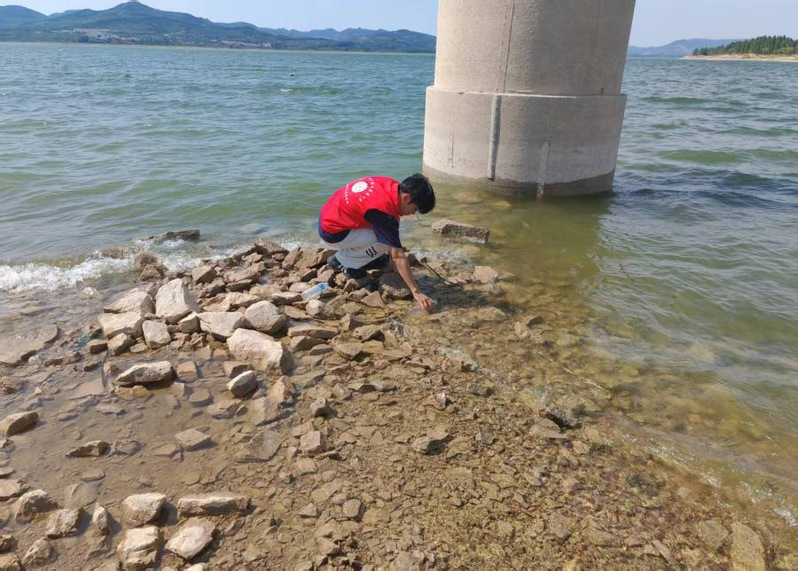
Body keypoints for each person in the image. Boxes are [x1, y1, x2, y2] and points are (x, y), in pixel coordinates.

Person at [318, 173, 437, 313]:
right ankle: (342, 261)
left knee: (388, 237)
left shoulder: (391, 186)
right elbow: (398, 255)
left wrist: (392, 255)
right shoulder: (383, 209)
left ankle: (362, 258)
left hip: (328, 216)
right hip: (333, 232)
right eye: (415, 209)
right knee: (385, 242)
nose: (412, 213)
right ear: (407, 198)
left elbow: (391, 220)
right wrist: (416, 292)